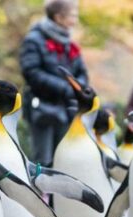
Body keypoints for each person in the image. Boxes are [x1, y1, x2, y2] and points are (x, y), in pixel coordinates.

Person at [20, 0, 88, 167]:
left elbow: (82, 72)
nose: (75, 20)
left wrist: (79, 88)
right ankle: (41, 193)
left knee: (64, 159)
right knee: (43, 160)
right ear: (59, 17)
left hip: (66, 109)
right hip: (42, 109)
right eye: (73, 15)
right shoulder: (34, 40)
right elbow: (31, 72)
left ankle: (59, 194)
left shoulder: (69, 42)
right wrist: (64, 88)